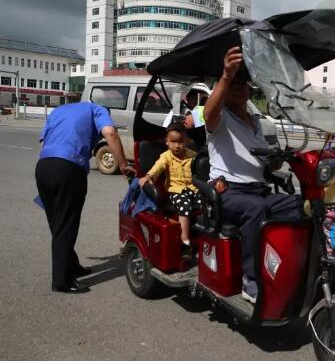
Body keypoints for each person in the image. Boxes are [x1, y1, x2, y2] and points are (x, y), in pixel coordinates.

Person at [203, 46, 303, 304]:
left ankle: (288, 268)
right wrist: (225, 76)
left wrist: (278, 161)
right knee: (256, 209)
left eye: (242, 83)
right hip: (228, 193)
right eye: (232, 84)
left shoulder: (257, 121)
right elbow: (208, 113)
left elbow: (265, 166)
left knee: (301, 206)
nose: (238, 86)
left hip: (258, 190)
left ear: (249, 90)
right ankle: (251, 281)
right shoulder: (220, 118)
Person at [35, 102, 135, 294]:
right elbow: (110, 133)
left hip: (43, 166)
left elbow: (43, 142)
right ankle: (61, 282)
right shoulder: (98, 110)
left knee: (58, 223)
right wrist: (123, 164)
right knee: (66, 226)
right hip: (69, 168)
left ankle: (71, 265)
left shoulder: (58, 111)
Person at [139, 122, 200, 259]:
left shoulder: (193, 155)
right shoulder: (166, 157)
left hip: (193, 189)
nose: (177, 146)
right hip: (176, 191)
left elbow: (202, 170)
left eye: (180, 142)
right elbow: (157, 168)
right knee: (185, 205)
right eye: (173, 142)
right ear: (167, 142)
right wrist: (148, 176)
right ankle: (185, 241)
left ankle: (206, 236)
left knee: (209, 201)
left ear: (186, 141)